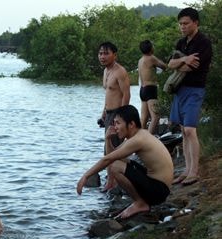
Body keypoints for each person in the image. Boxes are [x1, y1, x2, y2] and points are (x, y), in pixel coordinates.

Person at [77, 105, 173, 219]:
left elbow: (108, 160)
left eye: (118, 123)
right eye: (114, 123)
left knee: (116, 167)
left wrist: (85, 176)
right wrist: (108, 139)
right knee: (120, 162)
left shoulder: (138, 139)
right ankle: (140, 202)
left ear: (131, 124)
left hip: (159, 190)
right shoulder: (139, 135)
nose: (115, 127)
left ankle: (140, 203)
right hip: (159, 187)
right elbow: (113, 156)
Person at [168, 7, 212, 186]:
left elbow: (193, 67)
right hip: (179, 89)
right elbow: (170, 64)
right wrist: (183, 60)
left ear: (196, 23)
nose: (183, 27)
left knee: (190, 130)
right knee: (183, 132)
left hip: (195, 89)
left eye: (186, 23)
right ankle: (186, 170)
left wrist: (182, 64)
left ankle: (194, 172)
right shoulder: (181, 43)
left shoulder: (203, 43)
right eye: (180, 24)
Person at [98, 41, 131, 192]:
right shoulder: (106, 71)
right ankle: (112, 179)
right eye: (100, 53)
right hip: (109, 113)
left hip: (118, 113)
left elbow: (126, 94)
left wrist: (121, 118)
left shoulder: (120, 71)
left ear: (114, 55)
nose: (102, 56)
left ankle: (114, 181)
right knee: (108, 148)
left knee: (113, 150)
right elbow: (109, 93)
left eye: (106, 53)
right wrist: (104, 112)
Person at [138, 40, 167, 135]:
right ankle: (148, 139)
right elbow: (164, 66)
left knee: (144, 117)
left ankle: (140, 138)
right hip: (150, 89)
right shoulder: (151, 58)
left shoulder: (140, 60)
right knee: (155, 117)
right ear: (150, 48)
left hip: (142, 90)